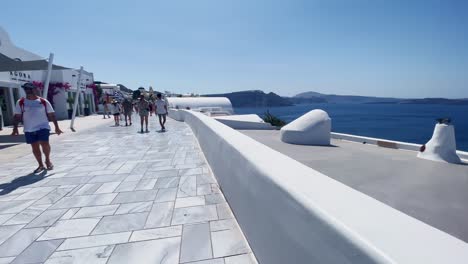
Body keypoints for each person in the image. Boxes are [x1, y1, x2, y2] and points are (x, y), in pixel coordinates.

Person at [11, 82, 63, 173]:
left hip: (43, 127)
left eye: (30, 89)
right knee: (35, 147)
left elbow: (52, 115)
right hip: (29, 128)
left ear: (34, 89)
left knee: (45, 143)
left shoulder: (43, 101)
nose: (28, 91)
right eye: (26, 89)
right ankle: (40, 165)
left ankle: (47, 160)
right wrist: (15, 128)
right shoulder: (21, 102)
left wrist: (57, 127)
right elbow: (17, 116)